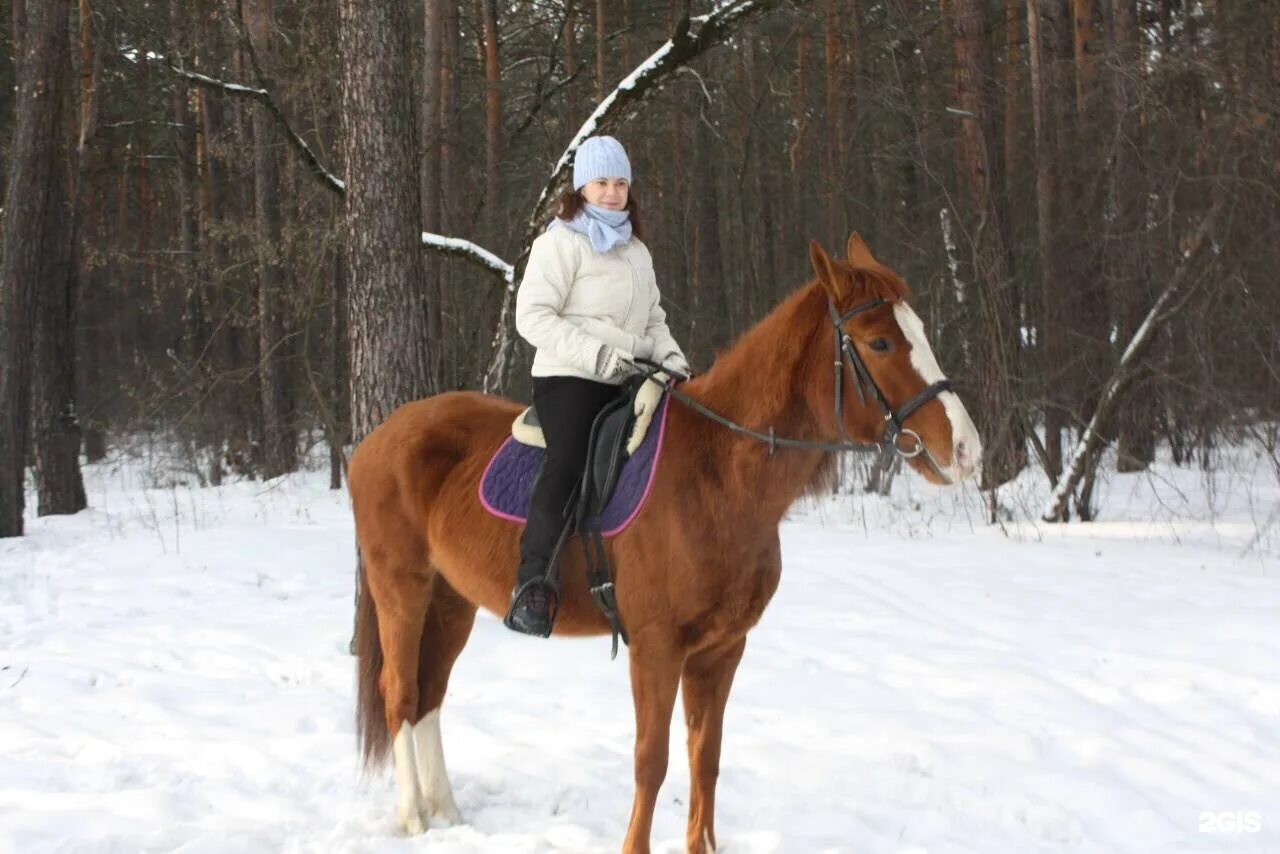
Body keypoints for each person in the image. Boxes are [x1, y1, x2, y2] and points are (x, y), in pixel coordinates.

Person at [504, 135, 690, 637]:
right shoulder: (560, 242)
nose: (612, 193)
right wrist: (597, 354)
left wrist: (672, 358)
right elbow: (532, 316)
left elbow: (654, 319)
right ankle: (533, 583)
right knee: (568, 462)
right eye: (602, 182)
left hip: (629, 375)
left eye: (620, 183)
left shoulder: (637, 251)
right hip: (569, 376)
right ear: (582, 187)